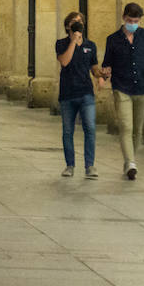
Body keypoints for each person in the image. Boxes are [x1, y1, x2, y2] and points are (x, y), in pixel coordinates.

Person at [99, 2, 144, 180]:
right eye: (130, 20)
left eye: (136, 21)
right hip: (121, 88)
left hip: (142, 88)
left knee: (137, 129)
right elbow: (107, 63)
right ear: (124, 18)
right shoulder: (113, 39)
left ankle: (130, 160)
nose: (133, 23)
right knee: (126, 126)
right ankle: (130, 162)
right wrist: (103, 76)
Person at [57, 11, 103, 179]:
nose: (78, 25)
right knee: (68, 131)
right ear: (68, 26)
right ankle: (70, 165)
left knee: (90, 128)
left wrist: (101, 74)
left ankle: (90, 165)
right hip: (67, 93)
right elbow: (64, 61)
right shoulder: (61, 43)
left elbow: (94, 69)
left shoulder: (91, 46)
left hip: (86, 93)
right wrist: (73, 42)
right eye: (74, 22)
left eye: (80, 22)